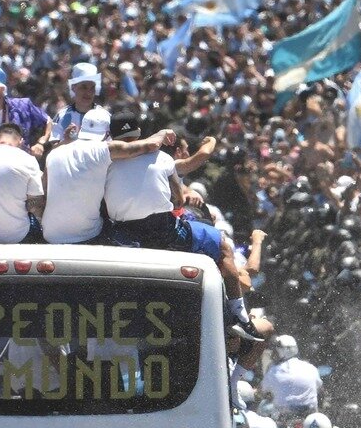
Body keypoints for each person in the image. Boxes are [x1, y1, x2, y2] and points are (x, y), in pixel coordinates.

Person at [103, 111, 256, 337]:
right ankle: (239, 316)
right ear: (138, 133)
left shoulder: (101, 162)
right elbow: (179, 198)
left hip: (124, 236)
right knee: (223, 246)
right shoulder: (163, 159)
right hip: (165, 233)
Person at [41, 107, 176, 244]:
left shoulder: (54, 154)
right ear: (108, 134)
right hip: (87, 236)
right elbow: (151, 145)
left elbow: (42, 194)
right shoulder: (104, 151)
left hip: (50, 235)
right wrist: (162, 132)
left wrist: (64, 142)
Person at [260, 334, 323, 419]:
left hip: (284, 418)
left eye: (276, 350)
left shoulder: (274, 371)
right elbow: (319, 388)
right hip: (309, 416)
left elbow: (264, 391)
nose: (273, 354)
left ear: (283, 351)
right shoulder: (311, 368)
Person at [49, 62, 102, 143]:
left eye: (92, 88)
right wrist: (66, 141)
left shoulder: (104, 116)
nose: (88, 93)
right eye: (83, 87)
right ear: (74, 88)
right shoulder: (62, 116)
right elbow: (53, 148)